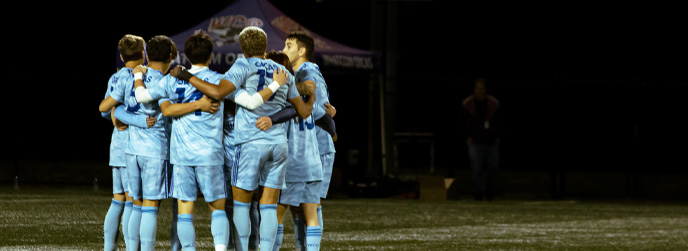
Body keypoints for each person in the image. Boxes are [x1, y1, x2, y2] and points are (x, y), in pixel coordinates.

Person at [170, 26, 315, 251]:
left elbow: (217, 93)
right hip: (278, 144)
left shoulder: (243, 65)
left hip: (250, 142)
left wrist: (187, 76)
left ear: (242, 48)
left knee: (241, 204)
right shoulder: (282, 70)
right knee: (268, 205)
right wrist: (312, 95)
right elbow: (304, 111)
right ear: (265, 46)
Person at [131, 31, 233, 251]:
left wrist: (138, 77)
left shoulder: (170, 80)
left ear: (186, 55)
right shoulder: (218, 80)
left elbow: (142, 97)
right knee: (218, 209)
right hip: (210, 153)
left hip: (182, 155)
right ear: (210, 55)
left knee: (185, 211)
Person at [99, 35, 175, 251]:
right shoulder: (158, 79)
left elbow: (108, 108)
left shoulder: (122, 78)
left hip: (126, 149)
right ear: (143, 54)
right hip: (149, 148)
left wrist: (119, 116)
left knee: (123, 202)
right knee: (143, 205)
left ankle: (114, 247)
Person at [282, 31, 336, 248]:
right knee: (301, 207)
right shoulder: (302, 72)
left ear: (301, 51)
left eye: (288, 46)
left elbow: (314, 109)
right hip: (310, 147)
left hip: (316, 147)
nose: (284, 50)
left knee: (310, 205)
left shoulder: (306, 71)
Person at [460, 78, 501, 201]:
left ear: (485, 89)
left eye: (482, 88)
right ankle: (478, 194)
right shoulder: (467, 103)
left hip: (491, 142)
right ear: (474, 89)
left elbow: (500, 122)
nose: (479, 91)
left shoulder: (494, 103)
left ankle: (489, 191)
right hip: (475, 143)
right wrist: (466, 137)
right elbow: (462, 122)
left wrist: (498, 136)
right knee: (476, 169)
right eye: (477, 88)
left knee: (493, 167)